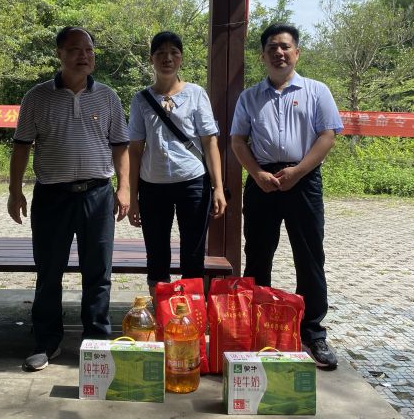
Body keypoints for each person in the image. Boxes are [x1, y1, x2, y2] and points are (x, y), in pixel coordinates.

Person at [8, 26, 130, 372]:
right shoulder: (37, 97)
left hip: (98, 195)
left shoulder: (108, 97)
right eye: (75, 49)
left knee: (98, 273)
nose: (84, 56)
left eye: (89, 50)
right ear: (59, 54)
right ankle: (46, 342)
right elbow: (21, 147)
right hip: (52, 196)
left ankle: (97, 343)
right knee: (49, 272)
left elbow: (121, 146)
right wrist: (15, 191)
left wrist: (124, 188)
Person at [230, 23, 343, 370]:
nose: (279, 53)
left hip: (303, 180)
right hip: (262, 180)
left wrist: (298, 172)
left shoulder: (317, 91)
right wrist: (256, 173)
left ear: (297, 52)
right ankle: (255, 325)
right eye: (272, 48)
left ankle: (312, 332)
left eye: (285, 47)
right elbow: (238, 141)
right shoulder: (250, 97)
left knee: (309, 256)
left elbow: (327, 136)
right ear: (262, 55)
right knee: (257, 255)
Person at [127, 31, 226, 296]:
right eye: (160, 53)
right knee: (156, 252)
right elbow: (134, 150)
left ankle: (191, 310)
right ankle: (161, 309)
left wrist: (218, 187)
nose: (167, 58)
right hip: (152, 185)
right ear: (151, 59)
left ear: (181, 58)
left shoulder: (196, 94)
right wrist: (133, 197)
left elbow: (210, 142)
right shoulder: (141, 99)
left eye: (174, 53)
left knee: (193, 252)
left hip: (193, 183)